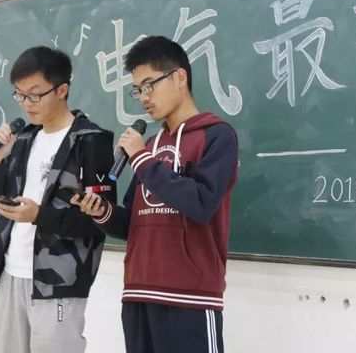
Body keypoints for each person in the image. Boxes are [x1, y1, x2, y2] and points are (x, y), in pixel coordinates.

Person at [73, 36, 239, 353]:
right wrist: (101, 211)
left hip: (190, 297)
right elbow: (132, 223)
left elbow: (201, 204)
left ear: (180, 77)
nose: (144, 97)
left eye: (149, 85)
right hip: (139, 292)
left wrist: (141, 159)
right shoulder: (150, 147)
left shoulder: (217, 136)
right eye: (138, 90)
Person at [0, 46, 116, 353]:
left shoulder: (91, 141)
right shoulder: (24, 139)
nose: (27, 103)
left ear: (62, 90)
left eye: (35, 95)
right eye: (20, 95)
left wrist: (38, 215)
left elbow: (99, 221)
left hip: (59, 280)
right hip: (12, 271)